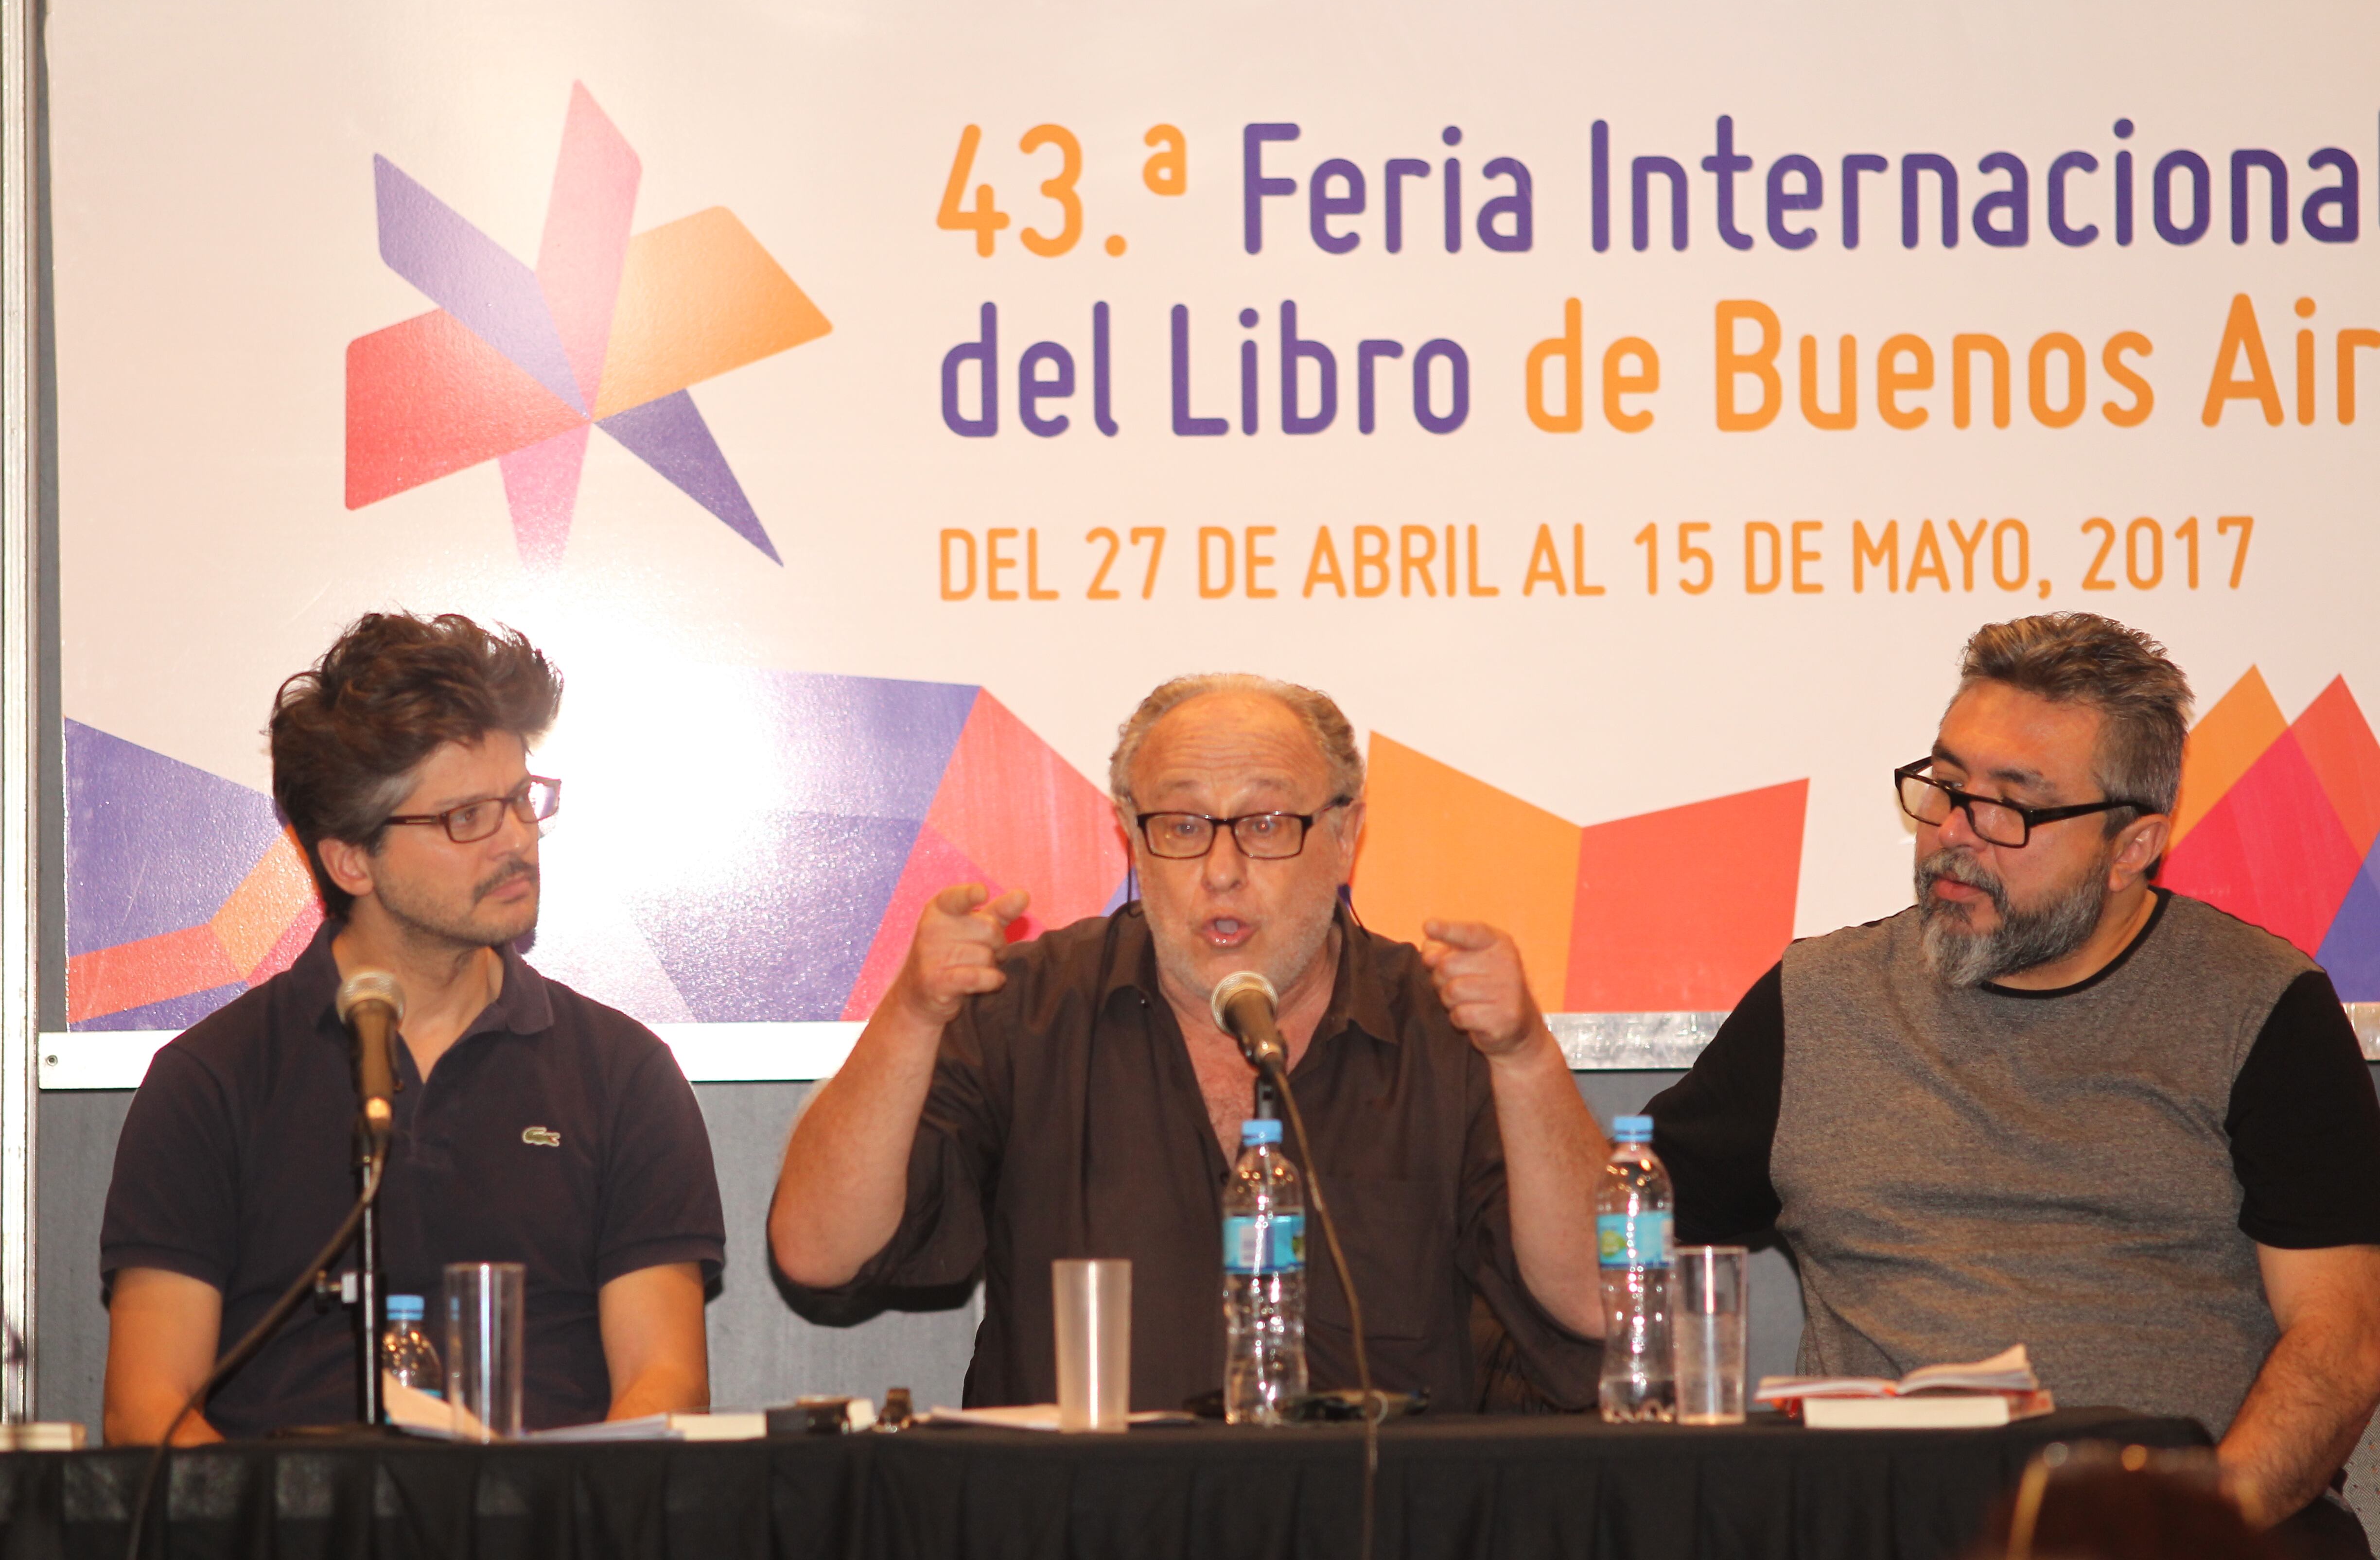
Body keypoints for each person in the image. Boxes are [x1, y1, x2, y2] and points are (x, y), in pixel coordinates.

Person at [1648, 613, 2380, 1554]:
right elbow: (1608, 1251)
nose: (1956, 835)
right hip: (1884, 1528)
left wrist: (2182, 1535)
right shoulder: (1819, 1001)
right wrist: (1520, 1058)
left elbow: (2342, 1345)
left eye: (2012, 807)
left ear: (2133, 846)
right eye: (1946, 787)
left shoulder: (2260, 1008)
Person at [768, 673, 1607, 1411]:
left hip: (1368, 1521)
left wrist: (1525, 1057)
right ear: (1131, 836)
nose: (1221, 869)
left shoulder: (1442, 1028)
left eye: (1268, 823)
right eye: (1180, 826)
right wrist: (913, 1015)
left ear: (1346, 837)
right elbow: (818, 1251)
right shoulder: (1026, 1012)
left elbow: (1606, 1303)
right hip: (1081, 1523)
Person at [100, 613, 726, 1442]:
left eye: (519, 800)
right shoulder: (212, 1082)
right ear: (351, 860)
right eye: (466, 816)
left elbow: (666, 1384)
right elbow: (149, 1409)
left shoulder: (622, 1074)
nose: (516, 839)